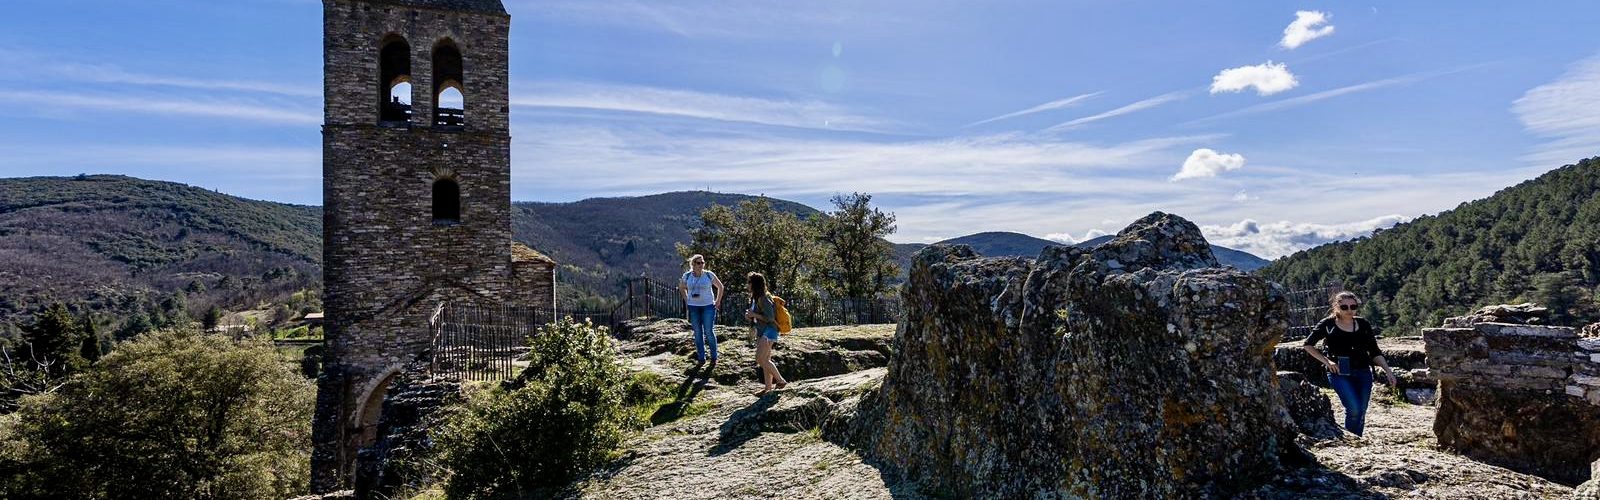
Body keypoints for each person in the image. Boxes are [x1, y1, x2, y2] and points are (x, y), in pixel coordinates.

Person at [1301, 291, 1398, 436]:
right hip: (1339, 372)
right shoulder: (1328, 324)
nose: (1349, 310)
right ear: (1336, 307)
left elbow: (1374, 351)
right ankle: (1352, 440)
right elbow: (1308, 345)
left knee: (1361, 410)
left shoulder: (1363, 324)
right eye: (1344, 307)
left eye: (1353, 306)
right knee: (1354, 409)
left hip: (1363, 371)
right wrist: (1327, 361)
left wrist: (1388, 371)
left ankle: (1356, 438)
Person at [743, 272, 788, 395]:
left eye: (749, 282)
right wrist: (750, 316)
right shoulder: (756, 297)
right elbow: (759, 316)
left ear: (754, 284)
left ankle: (780, 380)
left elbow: (769, 317)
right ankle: (768, 388)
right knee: (766, 359)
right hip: (764, 330)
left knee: (760, 358)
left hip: (770, 330)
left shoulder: (764, 298)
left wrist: (754, 315)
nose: (747, 285)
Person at [678, 254, 724, 367]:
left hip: (708, 306)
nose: (701, 265)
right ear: (693, 264)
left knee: (708, 331)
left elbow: (720, 286)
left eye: (702, 263)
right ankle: (701, 358)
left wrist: (717, 301)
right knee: (698, 333)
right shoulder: (687, 276)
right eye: (698, 263)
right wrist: (686, 299)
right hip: (693, 307)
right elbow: (681, 287)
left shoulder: (709, 275)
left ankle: (714, 357)